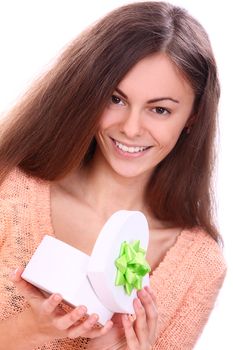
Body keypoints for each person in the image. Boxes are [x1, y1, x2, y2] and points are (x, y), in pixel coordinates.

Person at [0, 1, 227, 349]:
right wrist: (28, 330)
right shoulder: (10, 191)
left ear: (193, 117)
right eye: (116, 99)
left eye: (160, 109)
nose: (131, 128)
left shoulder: (199, 266)